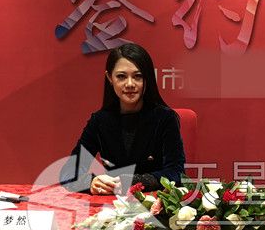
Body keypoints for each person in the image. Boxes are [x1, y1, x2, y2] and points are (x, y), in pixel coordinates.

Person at [60, 43, 185, 195]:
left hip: (153, 203)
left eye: (137, 76)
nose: (130, 84)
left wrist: (138, 182)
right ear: (109, 78)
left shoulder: (165, 118)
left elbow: (177, 172)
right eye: (121, 76)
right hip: (110, 204)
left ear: (147, 78)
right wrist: (90, 182)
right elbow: (68, 173)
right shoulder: (99, 121)